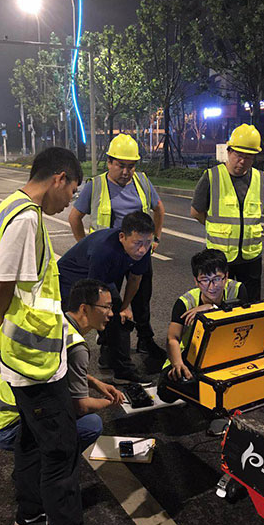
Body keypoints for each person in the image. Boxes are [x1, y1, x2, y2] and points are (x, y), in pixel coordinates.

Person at [0, 147, 123, 525]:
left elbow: (3, 288)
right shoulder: (27, 218)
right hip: (34, 365)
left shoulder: (6, 209)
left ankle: (29, 512)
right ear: (59, 178)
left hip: (23, 359)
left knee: (31, 444)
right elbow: (0, 286)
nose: (70, 203)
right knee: (61, 455)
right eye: (73, 191)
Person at [0, 279, 125, 454]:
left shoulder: (54, 323)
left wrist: (95, 383)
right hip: (11, 428)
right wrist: (109, 402)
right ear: (84, 309)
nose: (111, 314)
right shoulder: (77, 348)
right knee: (91, 424)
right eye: (106, 307)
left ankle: (36, 458)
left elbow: (57, 370)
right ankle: (52, 459)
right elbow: (80, 406)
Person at [69, 133, 165, 359]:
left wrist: (156, 239)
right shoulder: (96, 185)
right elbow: (74, 218)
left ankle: (145, 339)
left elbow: (159, 209)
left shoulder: (142, 182)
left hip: (138, 253)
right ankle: (108, 347)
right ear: (109, 162)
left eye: (131, 166)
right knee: (107, 303)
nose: (126, 172)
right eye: (121, 165)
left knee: (142, 299)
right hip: (109, 257)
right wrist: (87, 247)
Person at [58, 211, 155, 387]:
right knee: (72, 324)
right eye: (137, 243)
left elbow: (135, 279)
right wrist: (107, 314)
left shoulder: (143, 249)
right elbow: (94, 292)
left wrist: (124, 307)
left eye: (148, 243)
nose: (142, 249)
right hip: (70, 281)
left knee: (119, 318)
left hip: (101, 279)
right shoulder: (104, 250)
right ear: (122, 237)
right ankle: (61, 371)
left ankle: (117, 366)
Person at [157, 248, 247, 435]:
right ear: (196, 280)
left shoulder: (237, 289)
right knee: (167, 390)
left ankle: (217, 411)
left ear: (226, 276)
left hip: (226, 353)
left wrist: (211, 307)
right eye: (204, 280)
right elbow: (172, 338)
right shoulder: (185, 302)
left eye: (217, 279)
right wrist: (178, 364)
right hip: (192, 356)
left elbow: (245, 318)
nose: (211, 286)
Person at [190, 124, 264, 302]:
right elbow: (196, 212)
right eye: (239, 155)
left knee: (251, 304)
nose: (243, 161)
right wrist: (216, 225)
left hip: (251, 256)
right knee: (221, 305)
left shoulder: (260, 178)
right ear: (229, 151)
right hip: (220, 258)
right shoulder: (212, 177)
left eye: (249, 157)